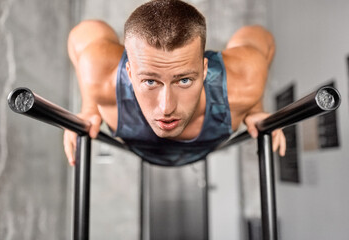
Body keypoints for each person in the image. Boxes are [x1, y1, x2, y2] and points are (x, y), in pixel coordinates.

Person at [63, 0, 286, 166]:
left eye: (184, 80)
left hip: (205, 145)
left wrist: (255, 108)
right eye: (150, 81)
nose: (166, 107)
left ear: (205, 70)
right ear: (129, 73)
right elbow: (80, 35)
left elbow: (261, 37)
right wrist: (89, 108)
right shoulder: (102, 79)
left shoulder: (243, 82)